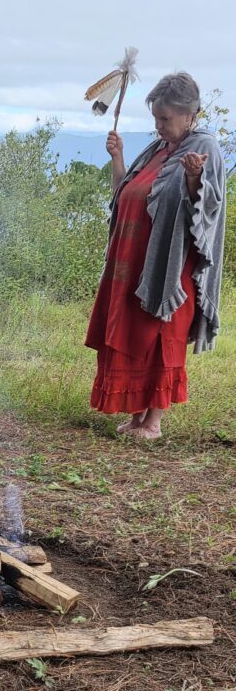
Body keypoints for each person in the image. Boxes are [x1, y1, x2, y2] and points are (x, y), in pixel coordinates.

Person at [86, 72, 227, 439]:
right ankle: (136, 416)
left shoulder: (203, 148)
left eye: (166, 119)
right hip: (133, 261)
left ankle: (153, 422)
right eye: (156, 119)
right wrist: (118, 158)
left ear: (190, 114)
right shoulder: (158, 149)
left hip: (169, 265)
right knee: (134, 332)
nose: (159, 126)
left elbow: (207, 207)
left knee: (161, 334)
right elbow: (125, 195)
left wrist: (196, 178)